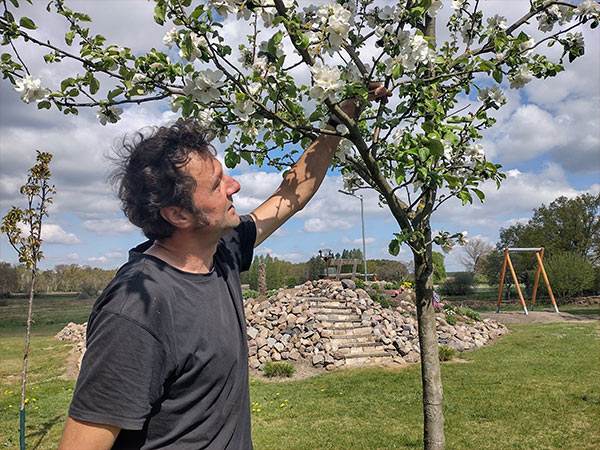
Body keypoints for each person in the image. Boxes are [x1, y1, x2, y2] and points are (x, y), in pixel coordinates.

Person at [58, 84, 390, 450]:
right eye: (217, 185)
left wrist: (342, 115)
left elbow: (290, 197)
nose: (235, 185)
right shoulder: (137, 307)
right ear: (178, 214)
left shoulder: (221, 251)